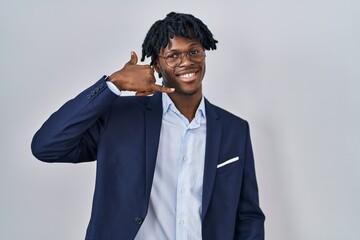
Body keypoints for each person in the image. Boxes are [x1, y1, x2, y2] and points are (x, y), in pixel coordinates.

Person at [31, 12, 265, 240]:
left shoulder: (235, 129)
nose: (186, 62)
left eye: (194, 52)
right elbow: (46, 146)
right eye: (173, 56)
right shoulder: (120, 117)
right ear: (156, 66)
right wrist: (112, 84)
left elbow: (248, 216)